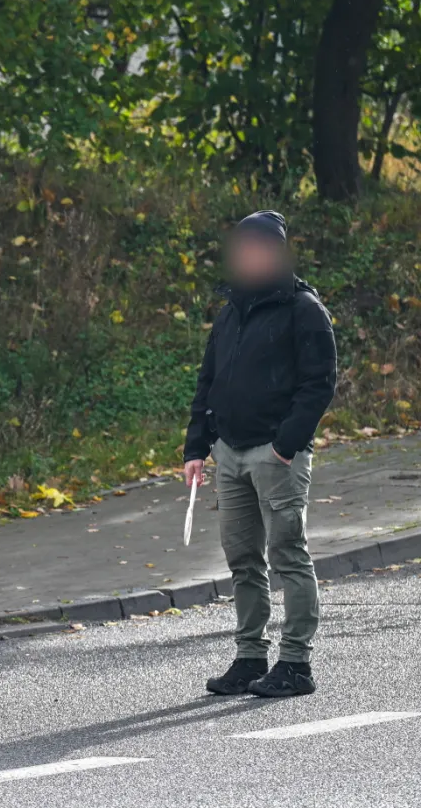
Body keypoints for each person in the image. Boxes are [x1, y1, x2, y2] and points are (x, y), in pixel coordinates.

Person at [183, 210, 337, 698]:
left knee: (288, 555)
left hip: (276, 456)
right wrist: (197, 447)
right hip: (229, 452)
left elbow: (319, 384)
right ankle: (251, 657)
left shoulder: (303, 308)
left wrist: (285, 446)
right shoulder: (230, 310)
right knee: (243, 560)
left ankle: (296, 664)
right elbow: (209, 382)